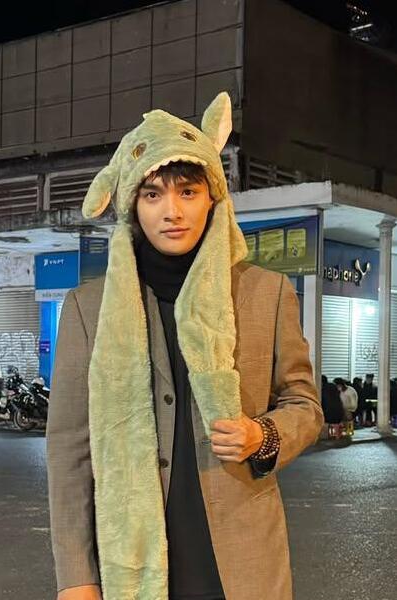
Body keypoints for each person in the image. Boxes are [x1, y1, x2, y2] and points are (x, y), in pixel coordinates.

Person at [46, 93, 323, 600]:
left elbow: (304, 404)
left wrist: (262, 435)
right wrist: (76, 577)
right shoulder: (88, 308)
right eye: (152, 194)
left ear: (212, 197)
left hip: (243, 562)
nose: (171, 212)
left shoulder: (266, 293)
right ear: (132, 205)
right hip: (131, 564)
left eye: (188, 192)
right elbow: (69, 451)